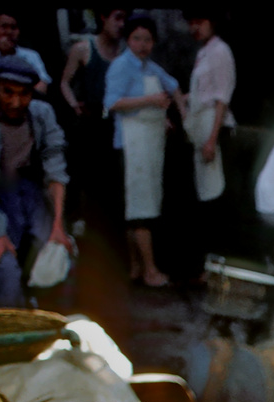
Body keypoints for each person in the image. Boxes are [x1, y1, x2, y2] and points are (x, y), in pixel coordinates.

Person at [0, 55, 73, 308]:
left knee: (58, 257)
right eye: (7, 92)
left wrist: (58, 224)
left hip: (31, 197)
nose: (16, 101)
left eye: (24, 94)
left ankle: (55, 330)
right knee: (7, 269)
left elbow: (56, 169)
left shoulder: (42, 114)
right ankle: (11, 335)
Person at [104, 15, 184, 287]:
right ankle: (150, 271)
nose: (142, 44)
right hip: (130, 145)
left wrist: (175, 115)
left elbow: (172, 86)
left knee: (139, 207)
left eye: (147, 39)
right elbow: (112, 102)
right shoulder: (121, 66)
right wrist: (150, 100)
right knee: (140, 209)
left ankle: (136, 268)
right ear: (128, 40)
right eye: (137, 38)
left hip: (149, 143)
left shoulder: (151, 68)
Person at [58, 8, 126, 225]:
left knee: (114, 184)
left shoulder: (125, 52)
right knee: (87, 181)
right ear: (103, 17)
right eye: (117, 18)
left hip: (116, 123)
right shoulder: (84, 48)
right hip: (90, 123)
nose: (121, 24)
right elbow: (65, 82)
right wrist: (74, 105)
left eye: (124, 19)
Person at [184, 11, 236, 205]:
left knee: (218, 192)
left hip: (217, 129)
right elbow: (204, 92)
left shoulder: (220, 51)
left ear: (212, 22)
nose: (195, 28)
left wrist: (212, 140)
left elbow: (222, 97)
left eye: (200, 22)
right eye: (192, 23)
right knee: (205, 191)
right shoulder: (203, 52)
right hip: (203, 128)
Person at [0, 13, 50, 99]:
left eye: (13, 28)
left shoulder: (32, 55)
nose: (9, 32)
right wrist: (4, 53)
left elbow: (43, 83)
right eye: (4, 27)